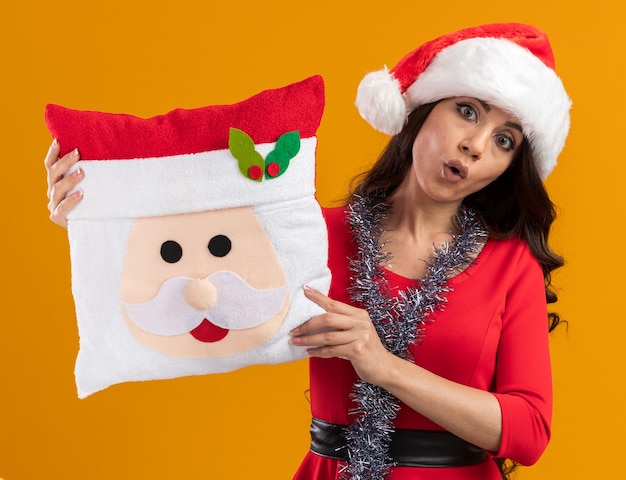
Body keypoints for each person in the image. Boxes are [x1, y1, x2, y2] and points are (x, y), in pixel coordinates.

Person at [45, 23, 570, 480]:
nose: (476, 145)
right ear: (420, 112)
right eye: (467, 111)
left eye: (505, 140)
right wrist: (95, 213)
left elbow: (529, 432)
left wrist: (383, 366)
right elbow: (190, 269)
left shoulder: (508, 265)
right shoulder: (317, 234)